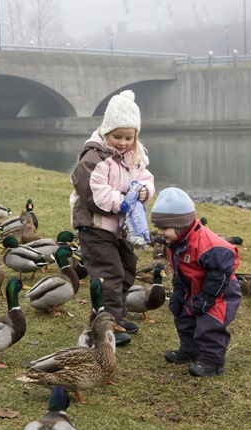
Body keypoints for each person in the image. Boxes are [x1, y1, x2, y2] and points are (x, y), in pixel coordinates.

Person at [70, 90, 155, 346]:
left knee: (128, 267)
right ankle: (106, 328)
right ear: (106, 131)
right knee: (110, 273)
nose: (122, 142)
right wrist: (126, 201)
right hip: (95, 227)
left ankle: (116, 317)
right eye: (117, 136)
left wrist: (144, 192)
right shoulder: (94, 158)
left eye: (129, 137)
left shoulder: (134, 156)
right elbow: (95, 196)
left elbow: (147, 180)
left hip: (119, 228)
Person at [150, 187, 242, 376]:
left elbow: (220, 273)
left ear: (181, 224)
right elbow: (180, 268)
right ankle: (191, 350)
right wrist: (178, 290)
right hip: (191, 287)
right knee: (183, 316)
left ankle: (212, 361)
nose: (159, 232)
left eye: (164, 228)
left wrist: (207, 298)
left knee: (210, 324)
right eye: (158, 227)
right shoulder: (176, 241)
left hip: (219, 292)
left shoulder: (208, 245)